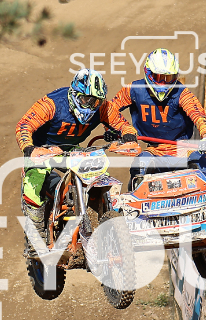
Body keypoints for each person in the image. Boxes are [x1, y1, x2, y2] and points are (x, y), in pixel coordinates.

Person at [16, 69, 137, 257]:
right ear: (74, 94)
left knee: (98, 173)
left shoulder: (103, 107)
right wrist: (29, 148)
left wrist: (129, 136)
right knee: (34, 182)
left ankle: (107, 221)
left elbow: (123, 124)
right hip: (42, 150)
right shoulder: (52, 103)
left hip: (72, 149)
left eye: (95, 101)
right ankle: (35, 240)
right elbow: (24, 125)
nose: (90, 105)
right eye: (86, 99)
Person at [106, 48, 206, 188]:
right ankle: (136, 198)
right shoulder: (133, 89)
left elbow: (198, 115)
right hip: (153, 150)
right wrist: (112, 129)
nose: (163, 83)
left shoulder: (182, 93)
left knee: (204, 165)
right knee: (138, 171)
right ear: (148, 73)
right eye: (158, 77)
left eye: (168, 78)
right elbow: (109, 110)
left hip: (181, 148)